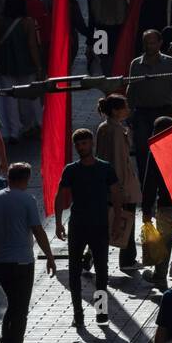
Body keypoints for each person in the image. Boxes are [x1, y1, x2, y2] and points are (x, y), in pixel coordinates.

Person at [0, 162, 56, 343]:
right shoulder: (27, 200)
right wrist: (49, 255)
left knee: (13, 304)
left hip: (0, 261)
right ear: (27, 179)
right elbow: (38, 230)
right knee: (20, 309)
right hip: (22, 261)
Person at [55, 129, 120, 331]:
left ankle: (101, 312)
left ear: (91, 143)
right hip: (77, 226)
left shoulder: (105, 168)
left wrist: (117, 220)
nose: (81, 147)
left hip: (100, 226)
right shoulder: (71, 170)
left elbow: (116, 194)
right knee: (74, 271)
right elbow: (60, 196)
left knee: (102, 272)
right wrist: (58, 222)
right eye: (78, 144)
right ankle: (78, 314)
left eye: (84, 143)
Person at [126, 29, 172, 179]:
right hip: (142, 114)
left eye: (152, 43)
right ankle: (145, 186)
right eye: (146, 43)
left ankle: (166, 186)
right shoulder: (136, 64)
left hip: (164, 112)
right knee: (142, 152)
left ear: (160, 43)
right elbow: (131, 88)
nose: (149, 46)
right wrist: (128, 112)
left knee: (166, 151)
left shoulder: (170, 63)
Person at [96, 93, 142, 275]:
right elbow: (119, 161)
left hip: (107, 183)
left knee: (105, 222)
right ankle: (128, 259)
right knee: (127, 221)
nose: (128, 110)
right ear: (116, 111)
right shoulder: (116, 131)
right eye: (124, 107)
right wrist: (121, 188)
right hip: (121, 185)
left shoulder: (104, 127)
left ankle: (91, 255)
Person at [0, 0, 43, 143]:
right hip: (25, 64)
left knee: (8, 100)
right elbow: (32, 46)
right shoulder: (28, 22)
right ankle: (30, 125)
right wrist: (38, 66)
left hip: (5, 64)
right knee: (28, 97)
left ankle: (12, 131)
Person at [141, 115, 172, 292]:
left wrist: (146, 208)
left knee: (163, 243)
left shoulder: (156, 150)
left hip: (166, 205)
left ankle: (160, 277)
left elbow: (149, 182)